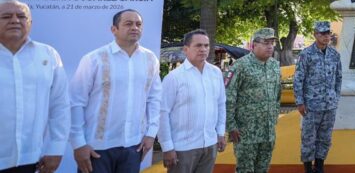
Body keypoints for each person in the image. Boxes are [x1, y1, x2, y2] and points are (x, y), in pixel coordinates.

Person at [69, 9, 161, 173]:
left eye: (138, 24)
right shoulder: (94, 59)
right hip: (96, 148)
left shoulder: (150, 59)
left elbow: (154, 98)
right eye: (128, 23)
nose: (134, 27)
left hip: (134, 146)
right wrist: (78, 143)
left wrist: (151, 133)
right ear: (114, 29)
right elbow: (76, 102)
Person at [0, 0, 70, 173]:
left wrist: (57, 148)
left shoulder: (48, 55)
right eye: (6, 16)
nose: (15, 20)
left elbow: (59, 106)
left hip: (29, 159)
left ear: (30, 23)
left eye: (22, 16)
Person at [159, 29, 226, 173]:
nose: (203, 49)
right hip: (182, 148)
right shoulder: (174, 78)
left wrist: (220, 132)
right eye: (198, 45)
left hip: (209, 144)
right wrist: (167, 147)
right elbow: (162, 113)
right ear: (185, 49)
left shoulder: (216, 73)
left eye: (206, 46)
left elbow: (220, 104)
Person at [225, 28, 281, 173]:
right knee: (245, 170)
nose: (270, 46)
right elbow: (228, 97)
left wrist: (274, 118)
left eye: (272, 42)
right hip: (246, 132)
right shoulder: (240, 66)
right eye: (265, 42)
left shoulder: (275, 65)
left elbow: (277, 95)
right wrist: (231, 126)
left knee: (263, 169)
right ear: (253, 45)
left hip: (267, 131)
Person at [294, 21, 342, 173]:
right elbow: (298, 78)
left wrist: (335, 97)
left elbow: (338, 77)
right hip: (311, 105)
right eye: (322, 34)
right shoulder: (306, 54)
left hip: (329, 105)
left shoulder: (334, 54)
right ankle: (308, 167)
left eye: (328, 33)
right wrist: (300, 102)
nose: (326, 36)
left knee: (325, 137)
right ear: (315, 35)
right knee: (308, 138)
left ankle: (319, 165)